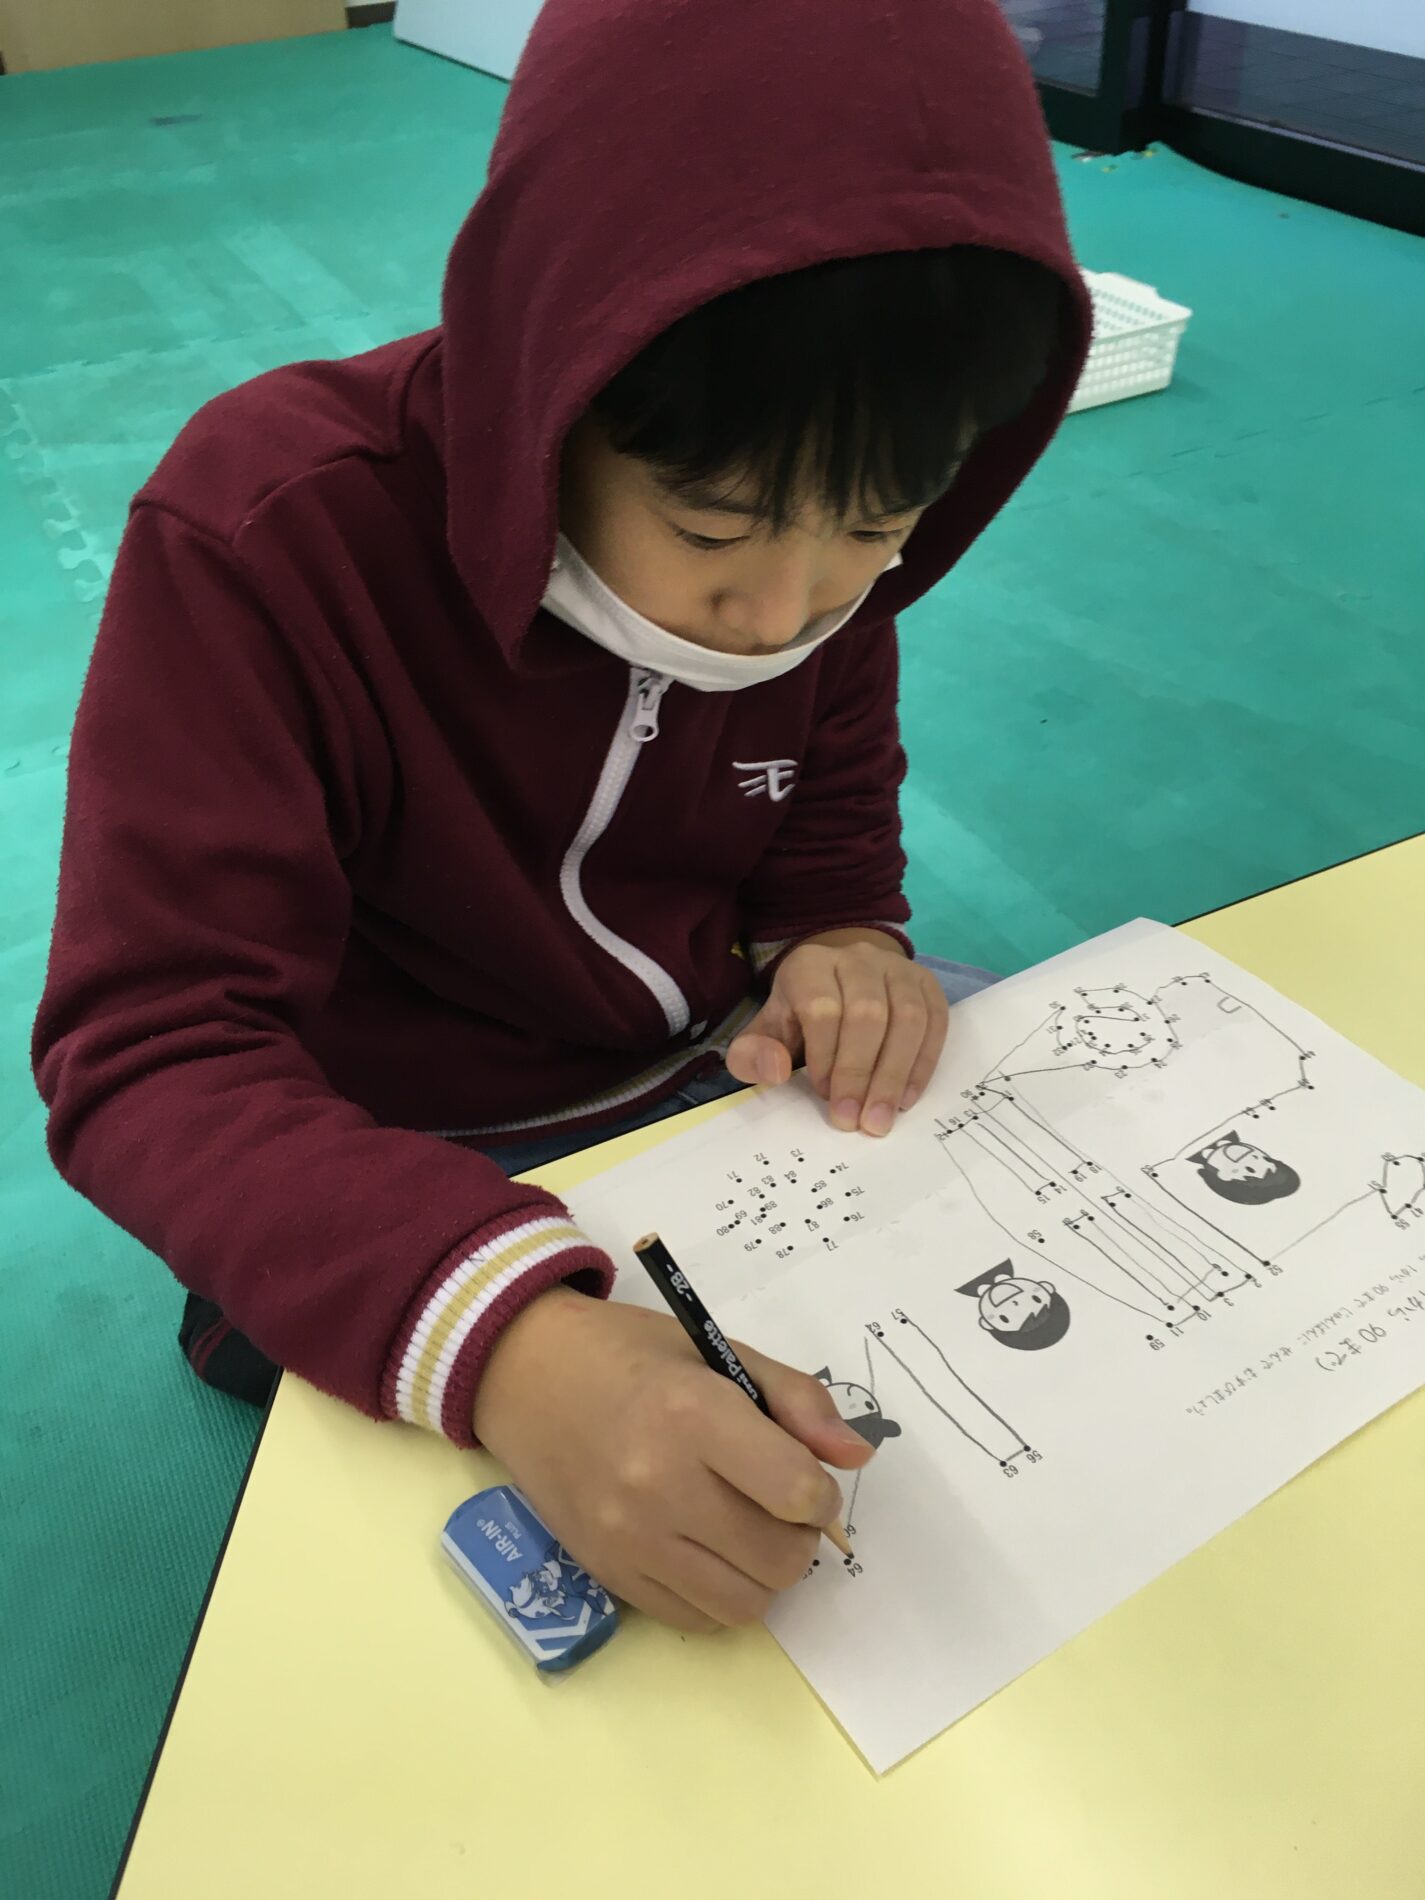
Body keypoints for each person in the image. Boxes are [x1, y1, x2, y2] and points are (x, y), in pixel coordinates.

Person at [30, 0, 1090, 1634]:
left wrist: (838, 930)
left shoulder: (816, 566)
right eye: (712, 526)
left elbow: (822, 788)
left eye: (879, 524)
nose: (783, 610)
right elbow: (146, 1050)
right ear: (551, 374)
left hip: (714, 1063)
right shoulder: (266, 537)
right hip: (399, 1149)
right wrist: (514, 1343)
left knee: (1022, 1124)